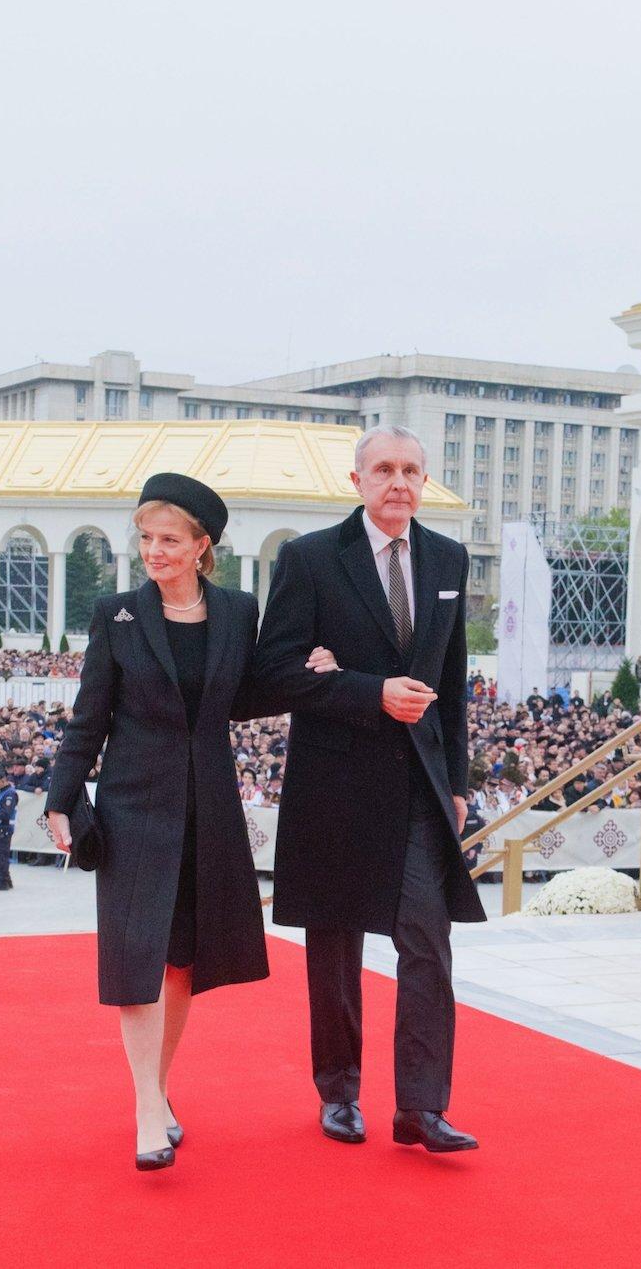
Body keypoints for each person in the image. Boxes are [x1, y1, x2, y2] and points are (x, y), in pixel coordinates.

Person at [43, 471, 325, 1172]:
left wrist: (309, 673)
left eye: (169, 539)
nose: (154, 551)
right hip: (134, 807)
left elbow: (242, 695)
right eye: (145, 538)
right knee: (137, 959)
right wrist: (59, 797)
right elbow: (89, 718)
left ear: (203, 546)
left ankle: (159, 1090)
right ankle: (146, 1108)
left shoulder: (237, 612)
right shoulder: (117, 615)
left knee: (180, 964)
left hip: (209, 807)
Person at [254, 425, 486, 1156]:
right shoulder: (311, 559)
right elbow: (274, 674)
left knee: (428, 940)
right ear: (356, 481)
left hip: (419, 784)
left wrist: (456, 782)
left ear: (425, 483)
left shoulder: (449, 559)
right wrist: (366, 691)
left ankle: (422, 1107)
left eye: (411, 471)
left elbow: (451, 684)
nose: (399, 483)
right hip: (336, 782)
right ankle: (340, 1090)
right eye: (383, 469)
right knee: (335, 944)